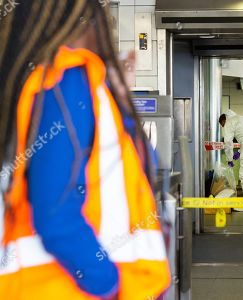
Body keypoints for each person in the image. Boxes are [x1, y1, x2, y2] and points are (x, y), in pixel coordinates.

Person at [0, 1, 170, 299]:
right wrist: (109, 284)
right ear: (80, 22)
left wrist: (121, 101)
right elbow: (55, 215)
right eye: (102, 18)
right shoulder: (65, 81)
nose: (109, 30)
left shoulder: (43, 83)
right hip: (69, 289)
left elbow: (143, 167)